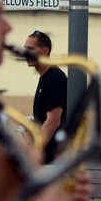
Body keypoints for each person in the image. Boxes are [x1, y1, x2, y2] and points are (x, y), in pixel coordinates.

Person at [24, 30, 67, 164]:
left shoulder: (55, 78)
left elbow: (53, 121)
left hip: (53, 161)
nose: (26, 53)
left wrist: (35, 152)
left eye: (30, 49)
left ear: (44, 51)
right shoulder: (45, 78)